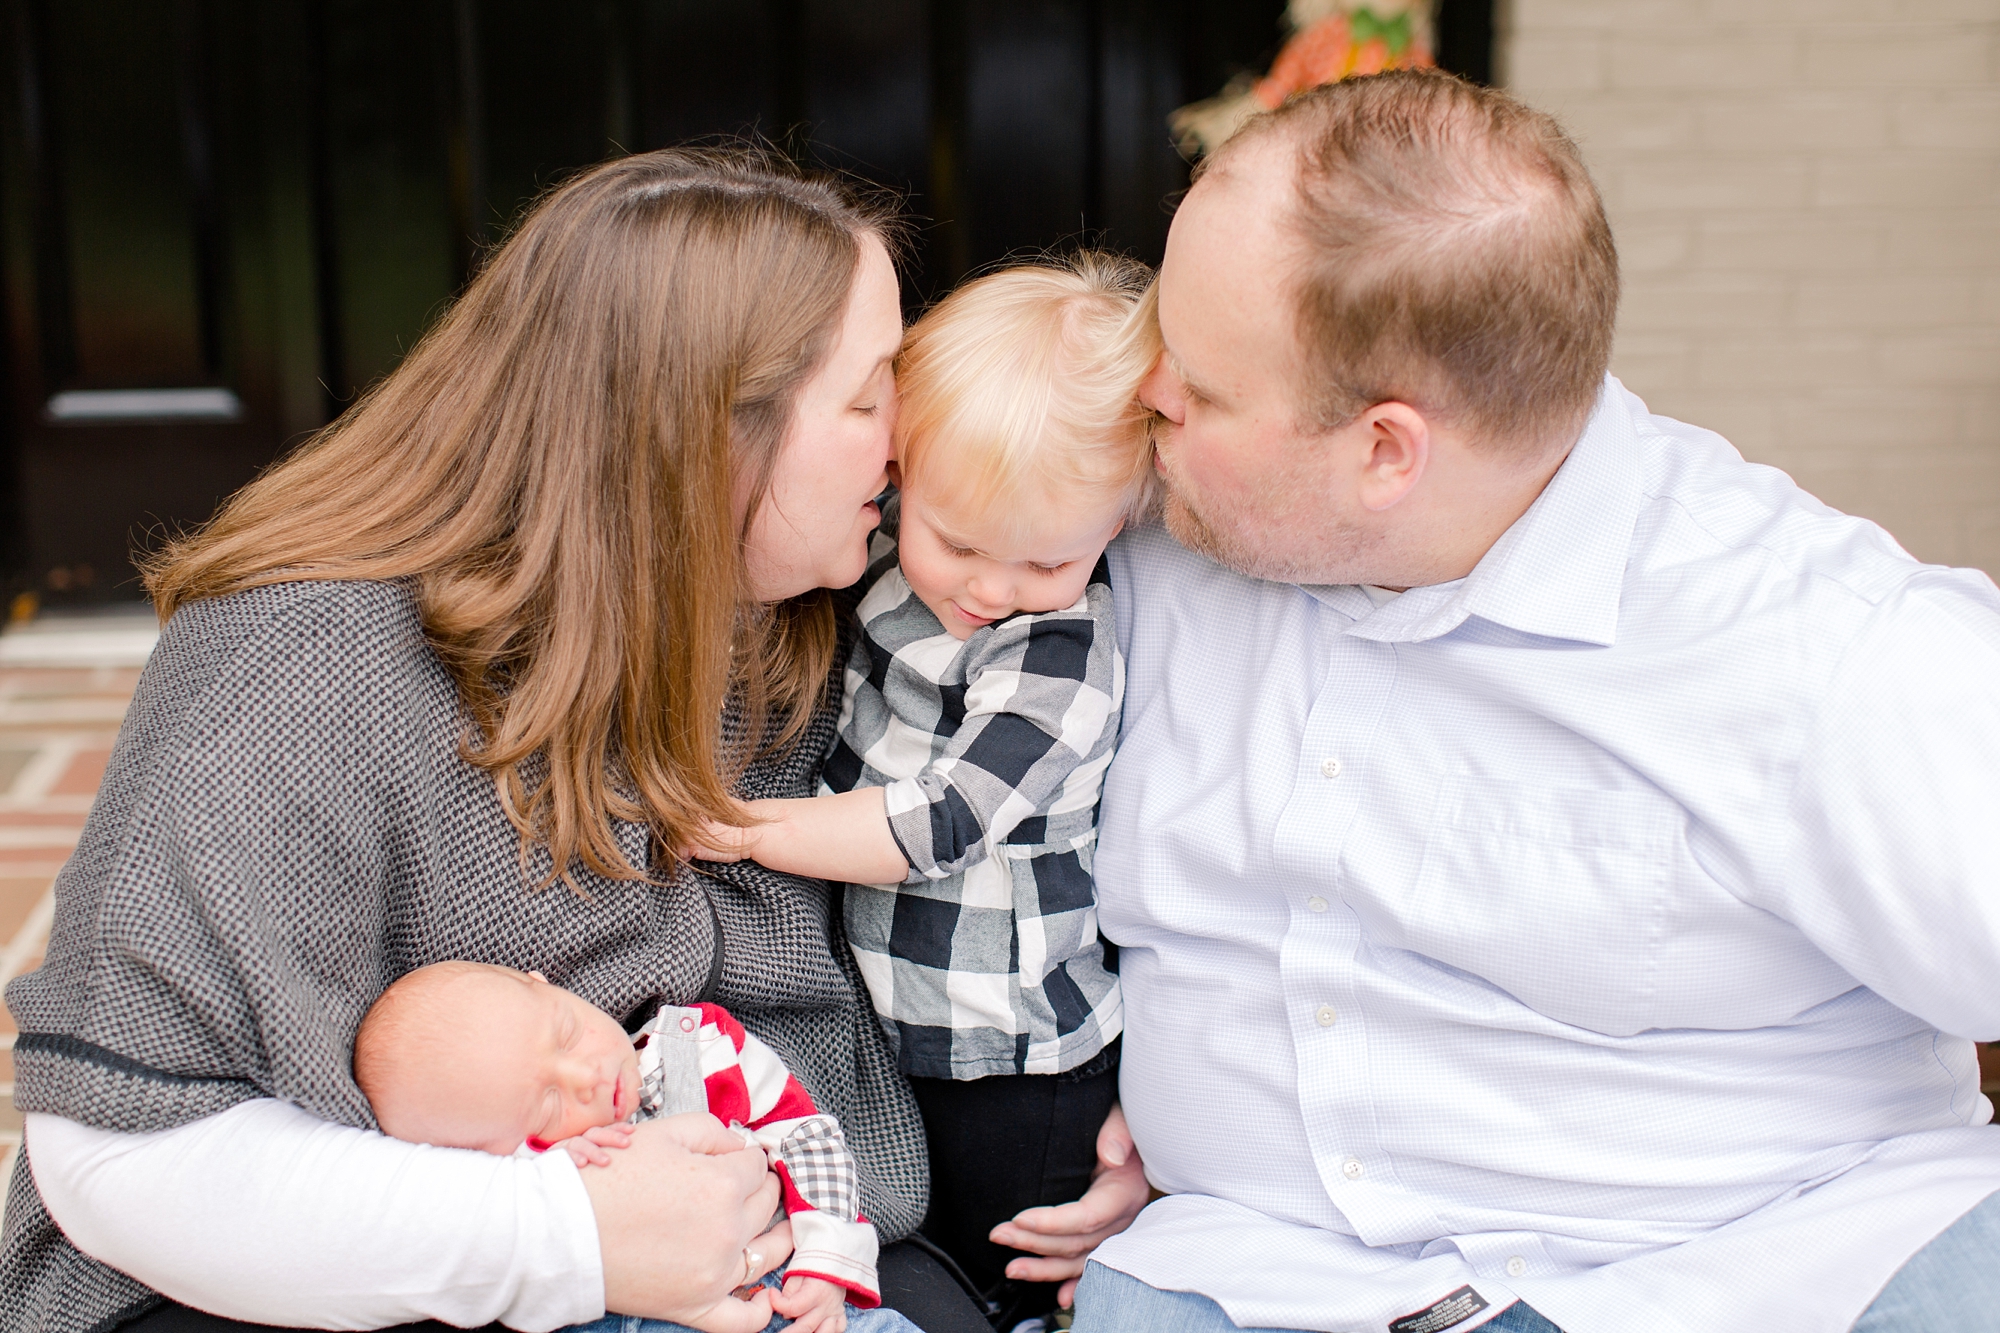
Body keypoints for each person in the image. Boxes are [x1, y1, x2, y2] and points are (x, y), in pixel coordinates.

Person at [0, 147, 1144, 1333]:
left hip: (782, 1222)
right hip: (353, 1268)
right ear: (706, 432)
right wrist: (569, 1241)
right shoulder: (308, 659)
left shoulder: (863, 595)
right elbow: (118, 1149)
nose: (906, 443)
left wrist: (1146, 1110)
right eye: (867, 399)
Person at [1071, 70, 2000, 1333]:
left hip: (1767, 1268)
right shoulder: (1130, 514)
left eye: (1200, 383)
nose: (1144, 395)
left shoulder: (1816, 643)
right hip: (1247, 1276)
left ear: (1385, 450)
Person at [693, 255, 1157, 1327]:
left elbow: (938, 822)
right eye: (956, 543)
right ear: (900, 469)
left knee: (1013, 1284)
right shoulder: (884, 555)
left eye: (1048, 563)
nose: (991, 590)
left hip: (1015, 1063)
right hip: (891, 1028)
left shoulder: (1057, 661)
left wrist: (744, 827)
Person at [353, 961, 908, 1333]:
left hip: (785, 1297)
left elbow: (806, 1136)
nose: (586, 1076)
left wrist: (826, 1261)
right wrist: (547, 1172)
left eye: (566, 1035)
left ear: (541, 982)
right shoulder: (533, 1181)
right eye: (548, 1104)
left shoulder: (696, 1047)